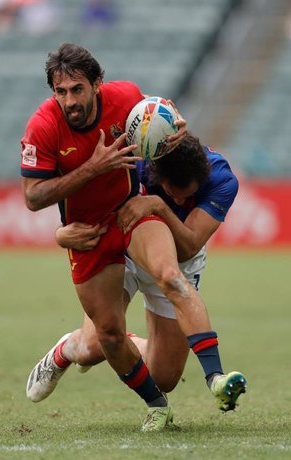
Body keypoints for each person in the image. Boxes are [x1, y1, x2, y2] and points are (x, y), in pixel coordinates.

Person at [20, 43, 247, 432]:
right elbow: (33, 197)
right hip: (92, 234)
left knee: (167, 356)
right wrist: (87, 180)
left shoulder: (124, 98)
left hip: (132, 214)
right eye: (61, 92)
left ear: (98, 84)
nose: (70, 100)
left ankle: (215, 378)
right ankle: (72, 350)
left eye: (77, 89)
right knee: (99, 343)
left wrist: (174, 121)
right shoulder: (42, 127)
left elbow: (158, 112)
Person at [29, 133, 243, 403]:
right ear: (158, 176)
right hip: (127, 254)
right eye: (171, 194)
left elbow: (189, 244)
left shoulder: (222, 180)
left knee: (164, 377)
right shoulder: (137, 164)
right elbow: (89, 205)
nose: (179, 202)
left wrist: (159, 206)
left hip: (178, 261)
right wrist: (61, 234)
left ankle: (120, 341)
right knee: (90, 348)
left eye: (185, 196)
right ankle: (66, 349)